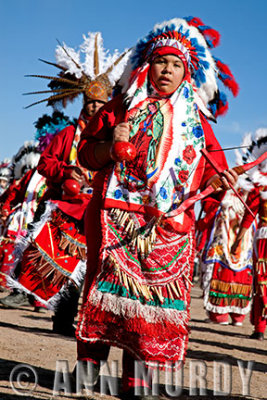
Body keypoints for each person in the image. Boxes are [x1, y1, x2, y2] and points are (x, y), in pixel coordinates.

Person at [76, 17, 239, 399]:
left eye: (176, 64)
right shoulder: (120, 107)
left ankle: (135, 386)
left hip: (161, 228)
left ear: (188, 72)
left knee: (145, 308)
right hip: (113, 218)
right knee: (101, 295)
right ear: (147, 64)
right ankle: (85, 375)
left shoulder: (196, 121)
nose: (167, 70)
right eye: (161, 61)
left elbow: (210, 171)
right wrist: (109, 145)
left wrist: (221, 181)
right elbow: (87, 154)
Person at [9, 32, 129, 336]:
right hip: (65, 211)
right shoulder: (66, 134)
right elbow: (44, 163)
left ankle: (84, 323)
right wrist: (65, 174)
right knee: (56, 267)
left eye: (99, 103)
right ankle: (56, 317)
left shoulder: (114, 137)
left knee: (87, 274)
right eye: (89, 102)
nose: (93, 107)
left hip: (99, 212)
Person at [200, 186, 255, 326]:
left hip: (225, 246)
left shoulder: (226, 202)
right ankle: (237, 317)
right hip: (243, 247)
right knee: (241, 276)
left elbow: (208, 207)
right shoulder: (249, 205)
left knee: (221, 274)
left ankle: (219, 316)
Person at [231, 128, 267, 340]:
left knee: (263, 281)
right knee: (262, 281)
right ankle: (260, 328)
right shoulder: (260, 184)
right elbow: (249, 213)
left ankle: (260, 328)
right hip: (264, 238)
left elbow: (249, 213)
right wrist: (237, 240)